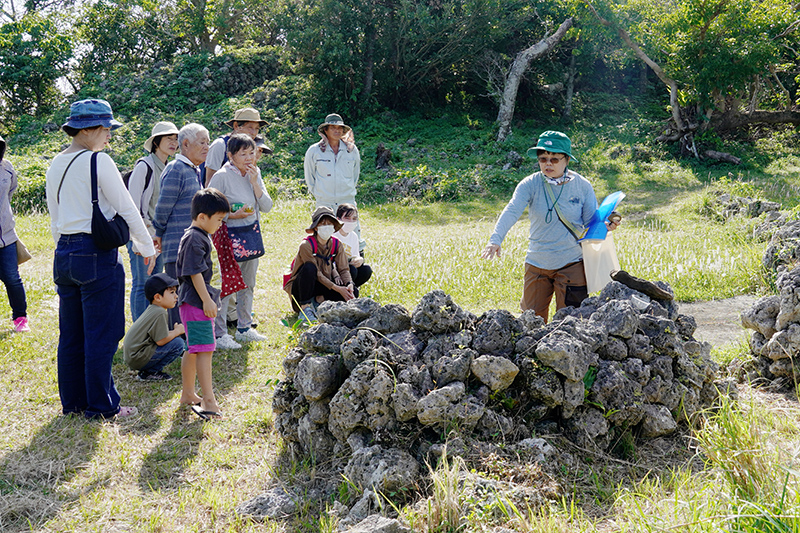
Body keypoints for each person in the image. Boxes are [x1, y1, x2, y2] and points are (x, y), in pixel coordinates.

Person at [45, 98, 157, 419]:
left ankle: (74, 403)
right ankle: (103, 407)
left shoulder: (55, 164)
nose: (109, 134)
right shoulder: (98, 162)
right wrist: (146, 247)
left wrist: (65, 248)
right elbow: (127, 209)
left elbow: (55, 218)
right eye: (106, 128)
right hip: (95, 254)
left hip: (64, 252)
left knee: (72, 333)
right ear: (89, 129)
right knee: (102, 332)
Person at [481, 130, 619, 323]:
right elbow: (511, 210)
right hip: (537, 264)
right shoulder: (529, 184)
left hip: (572, 263)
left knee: (571, 322)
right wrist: (495, 240)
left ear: (567, 160)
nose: (547, 163)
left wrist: (606, 225)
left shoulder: (582, 185)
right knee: (530, 323)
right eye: (543, 158)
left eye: (554, 159)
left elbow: (591, 222)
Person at [208, 134, 273, 343]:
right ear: (230, 155)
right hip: (228, 236)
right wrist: (231, 215)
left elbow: (267, 206)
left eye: (251, 152)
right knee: (226, 284)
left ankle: (244, 328)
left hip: (250, 233)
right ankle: (220, 333)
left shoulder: (255, 173)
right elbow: (209, 207)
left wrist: (255, 183)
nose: (248, 158)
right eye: (242, 153)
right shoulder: (221, 176)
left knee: (248, 282)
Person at [176, 188, 229, 419]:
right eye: (218, 220)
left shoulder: (198, 236)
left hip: (194, 302)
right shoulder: (195, 238)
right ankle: (209, 401)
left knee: (194, 348)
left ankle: (188, 393)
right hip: (197, 303)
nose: (220, 224)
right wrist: (207, 300)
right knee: (205, 349)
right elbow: (195, 273)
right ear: (202, 217)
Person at [153, 123, 208, 330]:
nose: (206, 147)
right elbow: (163, 206)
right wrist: (157, 232)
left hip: (191, 245)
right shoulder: (176, 169)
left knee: (190, 293)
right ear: (185, 144)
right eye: (202, 142)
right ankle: (177, 338)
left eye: (208, 142)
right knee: (175, 295)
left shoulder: (193, 170)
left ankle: (189, 336)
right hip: (177, 246)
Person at [127, 121, 180, 320]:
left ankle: (153, 327)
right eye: (169, 138)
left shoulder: (170, 167)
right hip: (142, 234)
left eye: (176, 139)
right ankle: (140, 330)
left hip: (159, 235)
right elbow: (132, 205)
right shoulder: (144, 166)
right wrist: (142, 234)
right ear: (156, 142)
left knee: (157, 283)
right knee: (142, 282)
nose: (174, 143)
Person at [303, 113, 364, 252]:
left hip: (347, 200)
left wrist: (346, 191)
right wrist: (321, 194)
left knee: (352, 235)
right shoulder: (314, 151)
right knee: (324, 237)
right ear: (325, 130)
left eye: (340, 128)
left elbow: (355, 176)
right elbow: (310, 178)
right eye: (333, 128)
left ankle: (355, 268)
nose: (337, 131)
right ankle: (325, 270)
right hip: (325, 202)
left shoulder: (351, 150)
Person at [283, 206, 354, 323]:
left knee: (353, 292)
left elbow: (343, 269)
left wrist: (348, 284)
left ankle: (318, 301)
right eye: (322, 223)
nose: (326, 226)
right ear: (315, 227)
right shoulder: (306, 245)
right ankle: (305, 308)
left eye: (329, 223)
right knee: (309, 268)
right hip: (302, 286)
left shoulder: (337, 244)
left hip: (324, 284)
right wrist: (337, 288)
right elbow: (316, 273)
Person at [123, 273, 186, 382]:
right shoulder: (160, 312)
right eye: (171, 292)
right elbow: (161, 341)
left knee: (176, 341)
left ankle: (147, 371)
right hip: (137, 357)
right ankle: (150, 373)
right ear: (157, 297)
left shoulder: (154, 309)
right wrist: (177, 331)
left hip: (133, 356)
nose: (176, 296)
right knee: (178, 344)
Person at [0, 134, 30, 333]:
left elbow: (10, 191)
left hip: (7, 235)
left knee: (12, 277)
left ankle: (20, 318)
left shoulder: (7, 167)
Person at [203, 107, 267, 186]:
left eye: (256, 129)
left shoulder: (251, 149)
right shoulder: (220, 145)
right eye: (250, 127)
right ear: (236, 126)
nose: (253, 133)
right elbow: (209, 182)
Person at [333, 203, 372, 291]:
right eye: (347, 218)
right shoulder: (333, 235)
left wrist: (359, 260)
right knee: (352, 270)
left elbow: (355, 255)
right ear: (338, 219)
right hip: (335, 270)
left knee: (366, 270)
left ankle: (352, 288)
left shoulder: (353, 236)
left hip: (348, 266)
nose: (351, 221)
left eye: (354, 219)